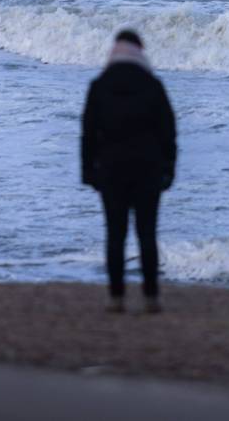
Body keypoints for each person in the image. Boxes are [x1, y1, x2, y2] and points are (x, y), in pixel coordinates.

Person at [81, 29, 177, 313]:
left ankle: (116, 297)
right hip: (148, 168)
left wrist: (88, 172)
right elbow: (168, 133)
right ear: (139, 51)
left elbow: (88, 134)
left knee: (115, 234)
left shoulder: (99, 85)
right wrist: (169, 168)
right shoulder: (153, 85)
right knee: (147, 233)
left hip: (111, 169)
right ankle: (151, 297)